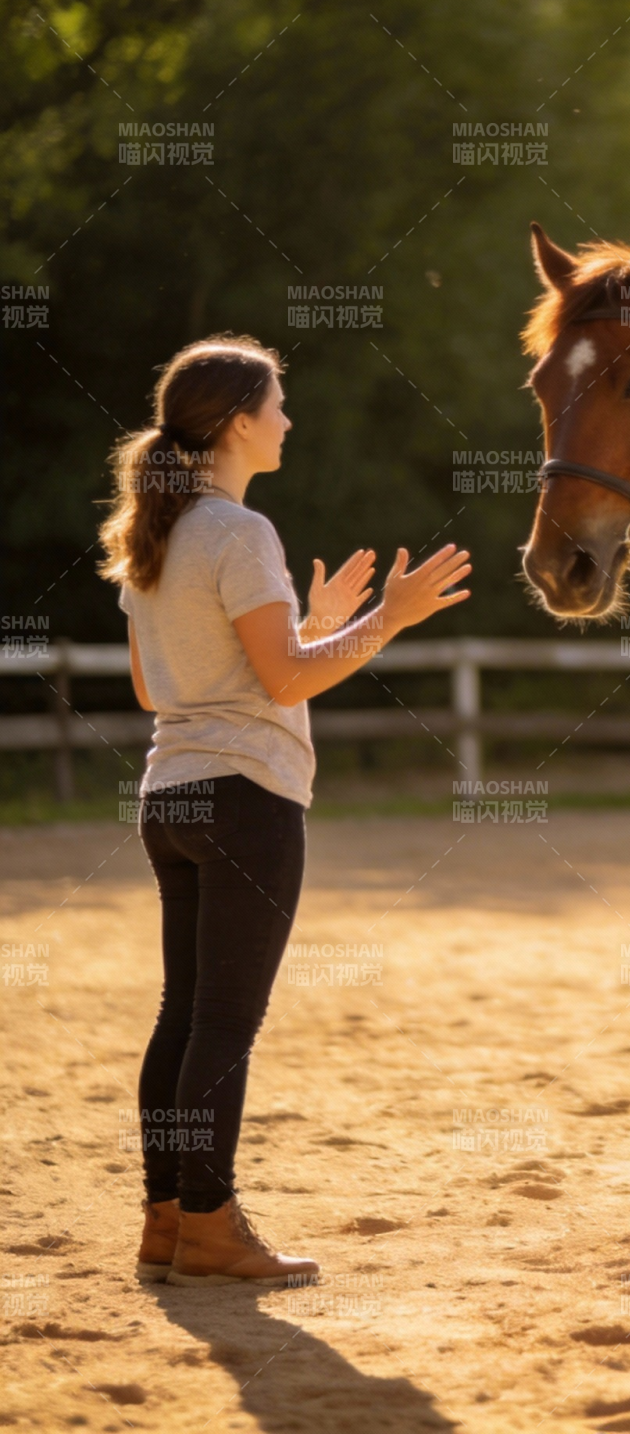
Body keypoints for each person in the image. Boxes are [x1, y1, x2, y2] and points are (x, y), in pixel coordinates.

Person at [98, 334, 471, 1286]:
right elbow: (282, 680)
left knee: (183, 1017)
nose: (289, 419)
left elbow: (163, 688)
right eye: (277, 404)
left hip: (170, 796)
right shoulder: (236, 531)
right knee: (224, 1025)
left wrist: (309, 625)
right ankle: (213, 1227)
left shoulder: (158, 532)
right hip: (247, 802)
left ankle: (168, 1223)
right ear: (236, 423)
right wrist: (387, 619)